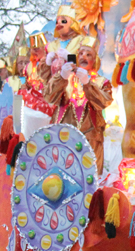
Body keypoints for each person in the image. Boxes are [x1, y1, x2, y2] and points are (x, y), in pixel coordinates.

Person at [44, 41, 113, 175]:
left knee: (89, 179)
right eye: (81, 53)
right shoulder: (65, 77)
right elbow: (48, 97)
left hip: (91, 138)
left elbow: (104, 102)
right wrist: (62, 78)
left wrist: (87, 84)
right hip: (63, 136)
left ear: (95, 60)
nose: (84, 57)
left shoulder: (101, 82)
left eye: (88, 54)